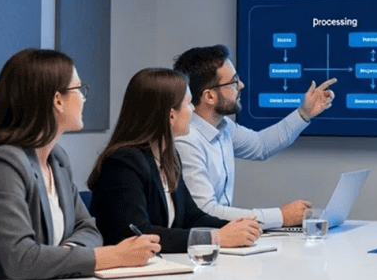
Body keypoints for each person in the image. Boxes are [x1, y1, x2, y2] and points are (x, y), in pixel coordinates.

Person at [0, 50, 159, 280]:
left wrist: (61, 256)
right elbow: (21, 260)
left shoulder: (57, 159)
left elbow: (88, 228)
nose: (84, 99)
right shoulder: (2, 164)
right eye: (79, 89)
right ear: (57, 100)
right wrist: (114, 256)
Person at [88, 68, 261, 252]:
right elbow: (138, 234)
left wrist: (236, 228)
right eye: (188, 103)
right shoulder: (123, 163)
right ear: (171, 115)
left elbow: (192, 217)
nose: (193, 109)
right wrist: (216, 238)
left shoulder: (168, 156)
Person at [172, 45, 336, 228]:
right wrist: (280, 216)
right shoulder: (187, 140)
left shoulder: (223, 127)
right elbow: (206, 211)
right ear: (209, 96)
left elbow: (261, 145)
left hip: (223, 237)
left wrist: (304, 113)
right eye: (233, 82)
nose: (241, 85)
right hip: (201, 244)